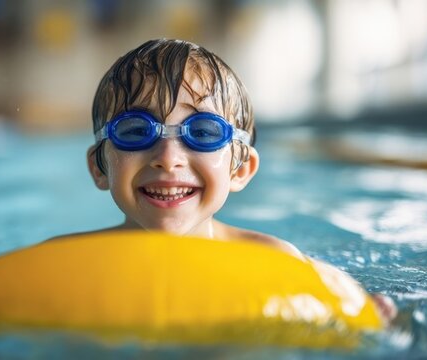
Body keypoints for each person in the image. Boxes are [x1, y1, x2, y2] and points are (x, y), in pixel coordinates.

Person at [48, 39, 397, 323]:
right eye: (136, 131)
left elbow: (340, 311)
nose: (168, 159)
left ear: (240, 169)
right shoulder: (63, 264)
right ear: (99, 167)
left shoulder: (271, 260)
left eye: (202, 132)